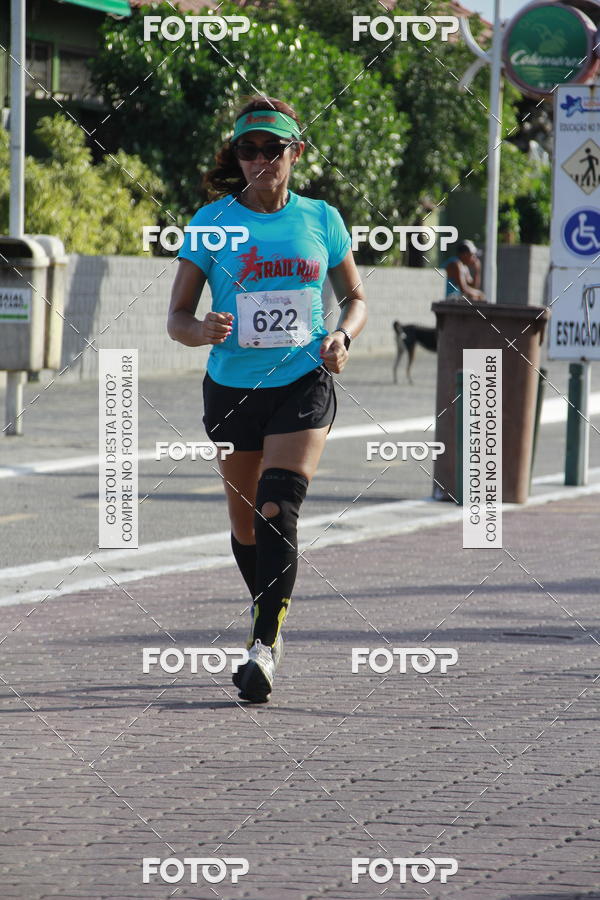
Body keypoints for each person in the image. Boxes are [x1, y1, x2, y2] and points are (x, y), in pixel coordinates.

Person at [167, 96, 367, 703]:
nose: (259, 160)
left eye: (271, 150)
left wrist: (341, 334)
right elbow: (175, 316)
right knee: (248, 524)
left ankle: (263, 646)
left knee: (279, 507)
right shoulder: (211, 221)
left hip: (303, 382)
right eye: (247, 150)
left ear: (294, 153)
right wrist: (198, 330)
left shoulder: (322, 219)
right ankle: (268, 615)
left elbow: (356, 298)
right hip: (232, 390)